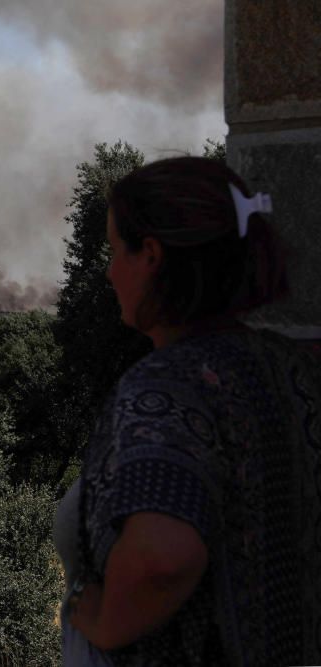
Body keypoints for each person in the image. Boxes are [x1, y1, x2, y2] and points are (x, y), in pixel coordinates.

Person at [53, 156, 321, 666]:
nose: (109, 272)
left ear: (150, 256)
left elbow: (163, 557)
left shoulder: (166, 389)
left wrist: (104, 619)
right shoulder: (292, 370)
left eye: (116, 251)